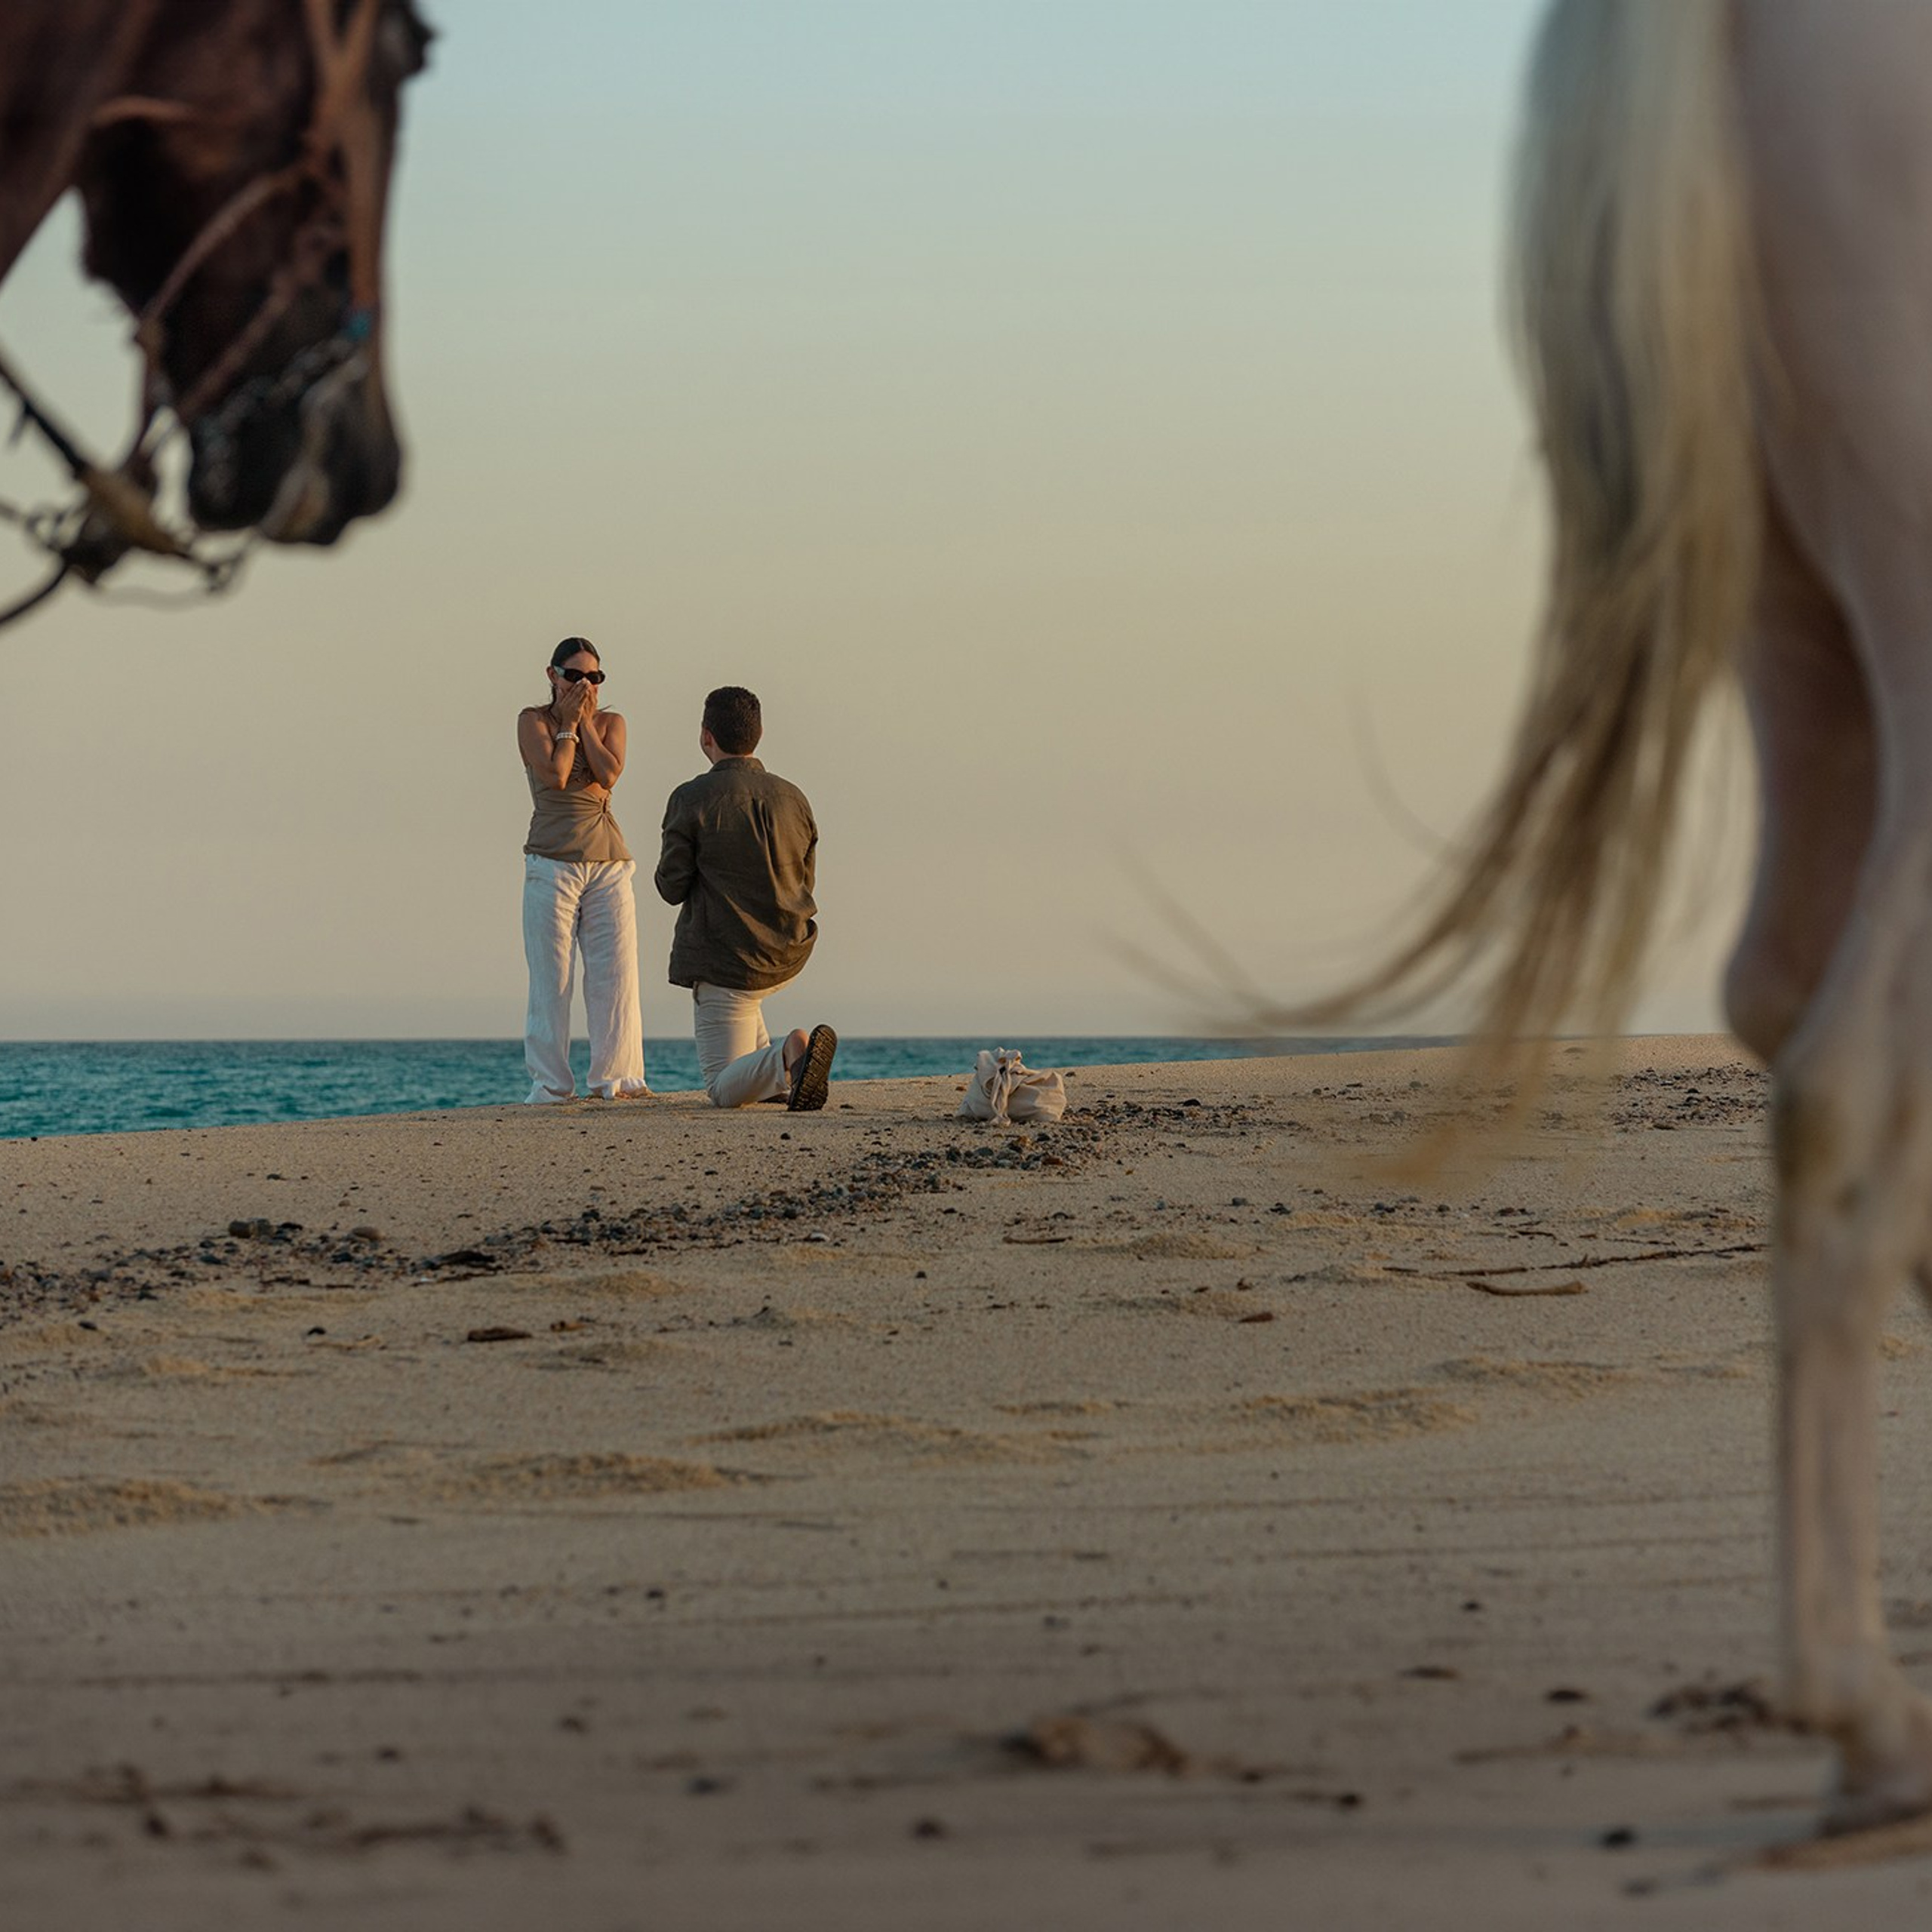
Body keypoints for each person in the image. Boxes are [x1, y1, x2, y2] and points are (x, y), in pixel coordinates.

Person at [654, 685, 836, 1110]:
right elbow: (805, 881)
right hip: (788, 951)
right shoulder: (794, 797)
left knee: (720, 1087)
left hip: (728, 961)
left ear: (706, 737)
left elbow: (670, 888)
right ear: (758, 734)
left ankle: (788, 1054)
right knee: (746, 1015)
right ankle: (775, 1076)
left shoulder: (691, 798)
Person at [516, 637, 651, 1103]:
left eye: (594, 677)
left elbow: (609, 773)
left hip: (608, 861)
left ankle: (618, 1079)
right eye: (575, 676)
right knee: (552, 977)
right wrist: (568, 724)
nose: (585, 685)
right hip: (551, 861)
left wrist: (584, 723)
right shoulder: (533, 721)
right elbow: (554, 773)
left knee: (615, 974)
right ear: (553, 676)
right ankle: (551, 1086)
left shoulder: (612, 722)